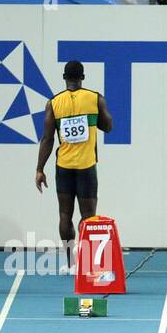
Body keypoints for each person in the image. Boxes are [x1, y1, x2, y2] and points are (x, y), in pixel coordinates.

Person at [35, 61, 115, 267]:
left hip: (64, 167)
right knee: (88, 217)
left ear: (64, 78)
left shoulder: (53, 103)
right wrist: (92, 115)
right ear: (83, 78)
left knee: (64, 214)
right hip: (87, 167)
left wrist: (39, 169)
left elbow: (47, 139)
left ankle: (71, 263)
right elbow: (108, 127)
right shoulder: (95, 99)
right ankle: (86, 263)